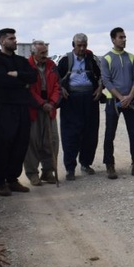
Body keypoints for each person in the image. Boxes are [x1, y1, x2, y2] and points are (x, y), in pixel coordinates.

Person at [0, 28, 37, 196]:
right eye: (11, 38)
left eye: (15, 38)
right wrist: (22, 82)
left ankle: (12, 179)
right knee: (2, 144)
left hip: (21, 107)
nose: (15, 41)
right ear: (2, 41)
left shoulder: (21, 60)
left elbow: (33, 76)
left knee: (20, 144)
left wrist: (16, 74)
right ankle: (0, 181)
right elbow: (1, 80)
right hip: (4, 107)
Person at [56, 34, 103, 179]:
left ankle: (86, 164)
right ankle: (70, 169)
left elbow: (103, 76)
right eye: (79, 45)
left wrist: (100, 88)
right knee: (70, 134)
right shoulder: (65, 61)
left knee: (90, 133)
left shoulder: (92, 59)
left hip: (90, 100)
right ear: (73, 45)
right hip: (71, 101)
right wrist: (60, 89)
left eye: (84, 45)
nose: (82, 48)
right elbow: (56, 79)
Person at [100, 27, 134, 179]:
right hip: (113, 101)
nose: (124, 40)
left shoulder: (131, 57)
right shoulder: (106, 59)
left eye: (125, 37)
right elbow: (106, 80)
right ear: (113, 39)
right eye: (121, 37)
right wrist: (120, 97)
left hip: (130, 101)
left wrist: (130, 96)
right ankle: (110, 165)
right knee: (109, 134)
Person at [23, 40, 60, 186]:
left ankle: (48, 171)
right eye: (42, 53)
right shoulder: (27, 66)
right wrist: (41, 103)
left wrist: (52, 102)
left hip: (49, 107)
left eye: (46, 52)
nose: (46, 55)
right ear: (33, 53)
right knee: (33, 141)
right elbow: (28, 89)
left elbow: (57, 85)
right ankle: (32, 173)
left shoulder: (52, 65)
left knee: (51, 141)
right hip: (34, 108)